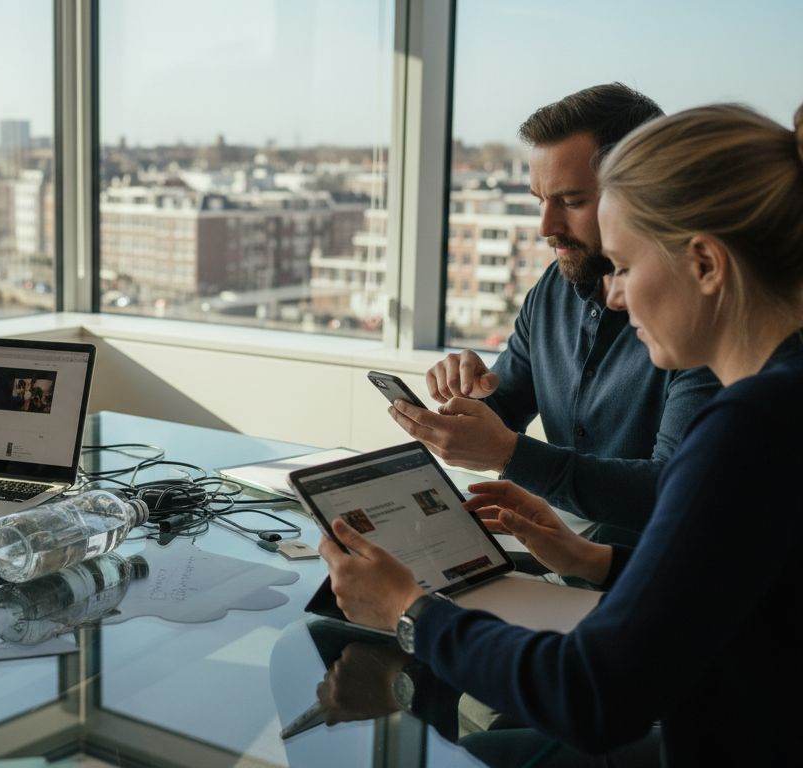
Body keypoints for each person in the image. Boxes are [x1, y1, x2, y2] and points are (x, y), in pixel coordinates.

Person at [320, 102, 803, 764]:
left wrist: (412, 611)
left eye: (626, 267)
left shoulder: (752, 425)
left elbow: (595, 696)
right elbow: (760, 588)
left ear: (706, 264)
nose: (614, 295)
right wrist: (592, 560)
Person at [388, 84, 720, 535]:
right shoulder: (556, 285)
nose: (547, 227)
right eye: (540, 201)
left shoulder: (703, 317)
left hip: (644, 569)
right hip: (564, 549)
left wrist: (508, 454)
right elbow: (505, 406)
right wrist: (468, 399)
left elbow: (672, 491)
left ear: (646, 193)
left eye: (572, 202)